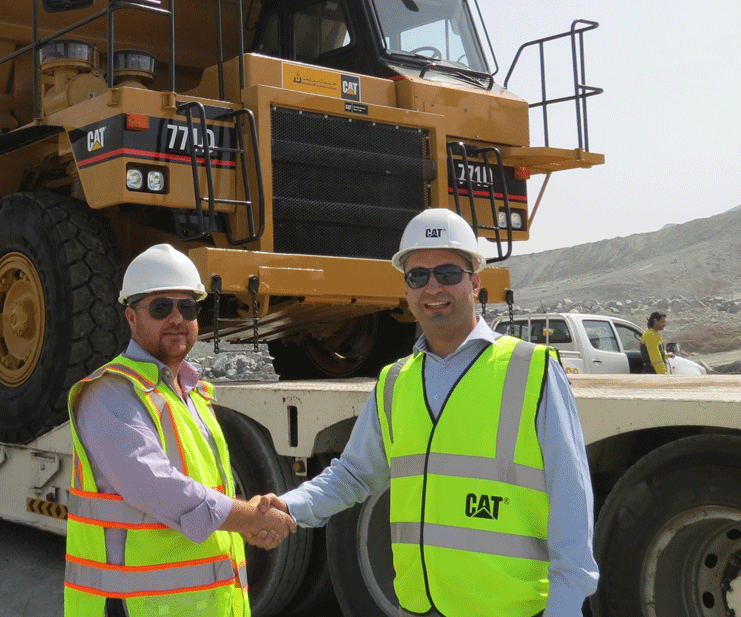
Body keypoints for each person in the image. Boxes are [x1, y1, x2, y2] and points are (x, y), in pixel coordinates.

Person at [256, 208, 599, 617]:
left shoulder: (532, 370)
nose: (433, 287)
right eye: (418, 276)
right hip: (419, 608)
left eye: (448, 273)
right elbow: (353, 474)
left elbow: (571, 498)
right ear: (406, 290)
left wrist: (565, 607)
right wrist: (290, 507)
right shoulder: (394, 382)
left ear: (475, 283)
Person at [64, 243, 296, 617]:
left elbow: (211, 490)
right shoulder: (110, 392)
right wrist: (249, 518)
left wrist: (248, 522)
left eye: (187, 307)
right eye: (160, 307)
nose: (176, 318)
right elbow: (153, 485)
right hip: (137, 607)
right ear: (131, 317)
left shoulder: (194, 395)